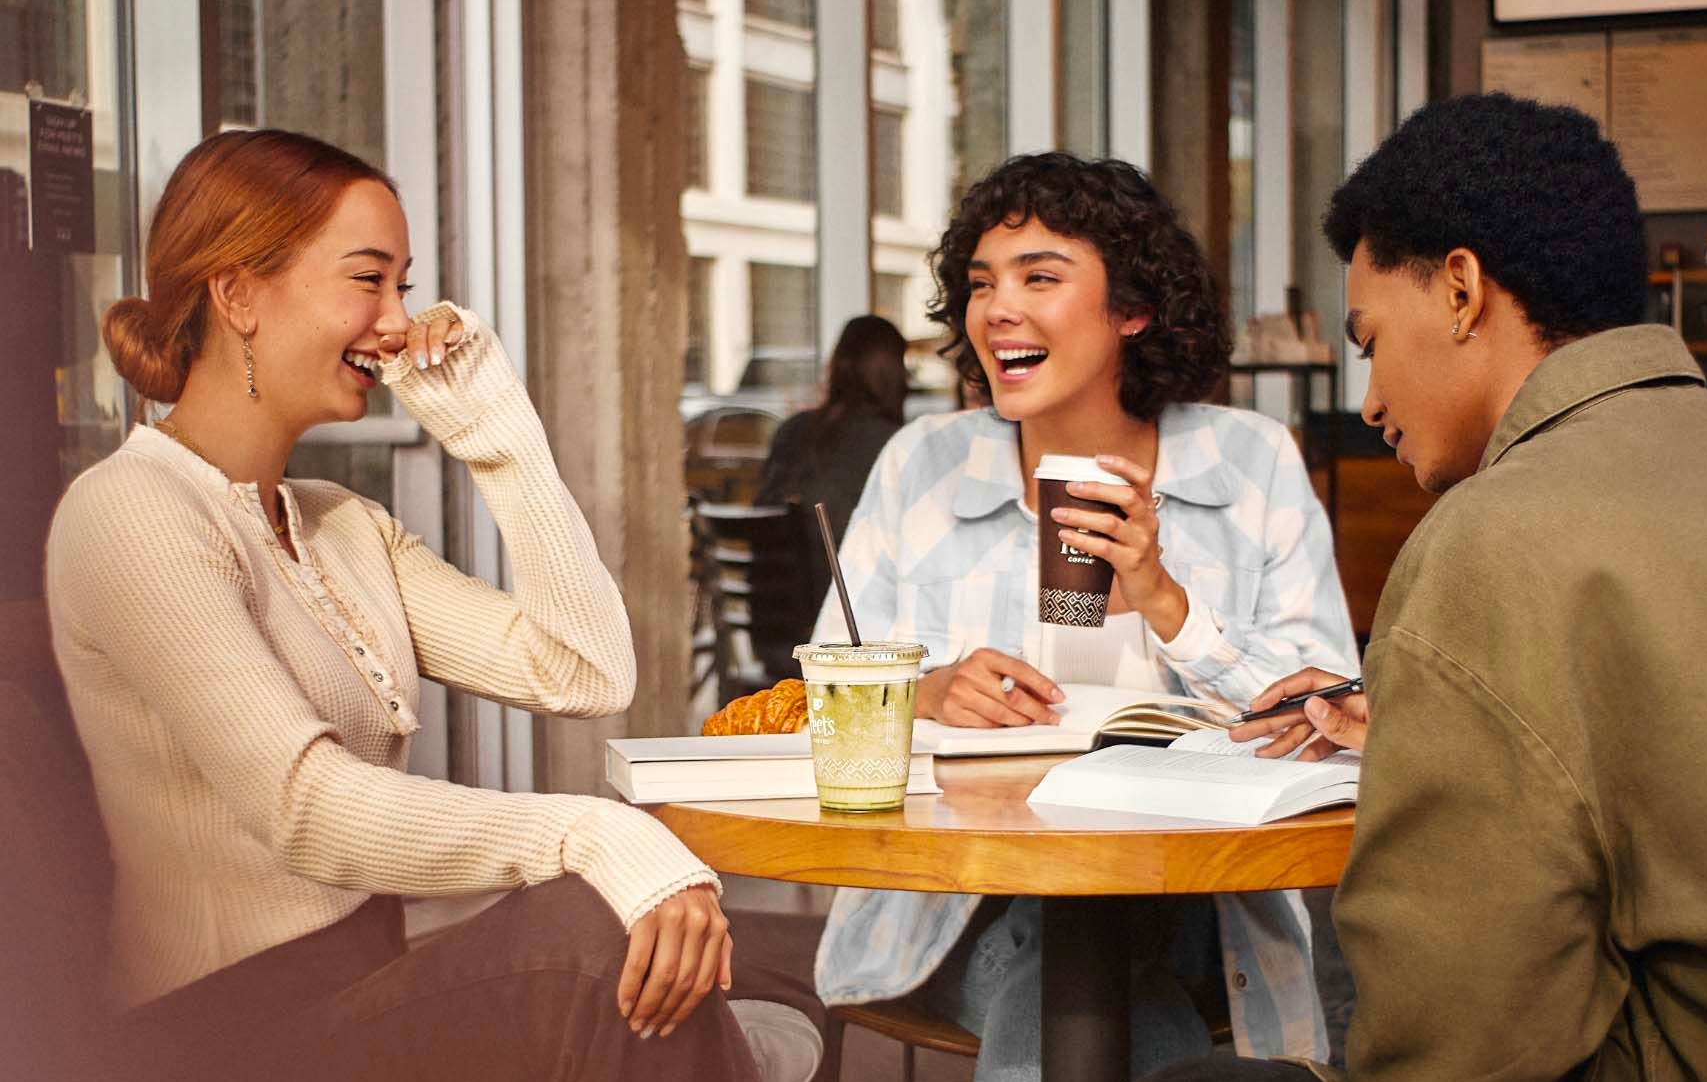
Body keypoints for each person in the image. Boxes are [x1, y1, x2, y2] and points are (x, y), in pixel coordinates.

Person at [43, 129, 772, 1082]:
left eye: (403, 284)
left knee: (676, 943)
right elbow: (303, 806)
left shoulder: (338, 524)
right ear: (238, 294)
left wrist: (497, 432)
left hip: (363, 981)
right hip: (217, 1031)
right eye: (368, 279)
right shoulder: (131, 509)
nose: (397, 321)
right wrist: (595, 831)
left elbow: (586, 670)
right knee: (593, 932)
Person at [1143, 93, 1707, 1082]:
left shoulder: (1489, 533)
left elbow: (1461, 1038)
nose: (1372, 398)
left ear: (1462, 291)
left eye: (1369, 339)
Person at [809, 152, 1359, 1082]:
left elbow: (1330, 724)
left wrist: (1172, 608)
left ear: (1132, 309)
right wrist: (932, 691)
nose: (998, 309)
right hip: (963, 900)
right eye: (982, 283)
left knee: (1085, 969)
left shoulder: (1252, 462)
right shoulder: (922, 466)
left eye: (1040, 278)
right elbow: (825, 690)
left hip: (1200, 902)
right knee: (1064, 955)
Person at [751, 314, 909, 678]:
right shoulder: (894, 446)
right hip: (842, 638)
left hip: (773, 631)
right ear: (893, 373)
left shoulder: (791, 431)